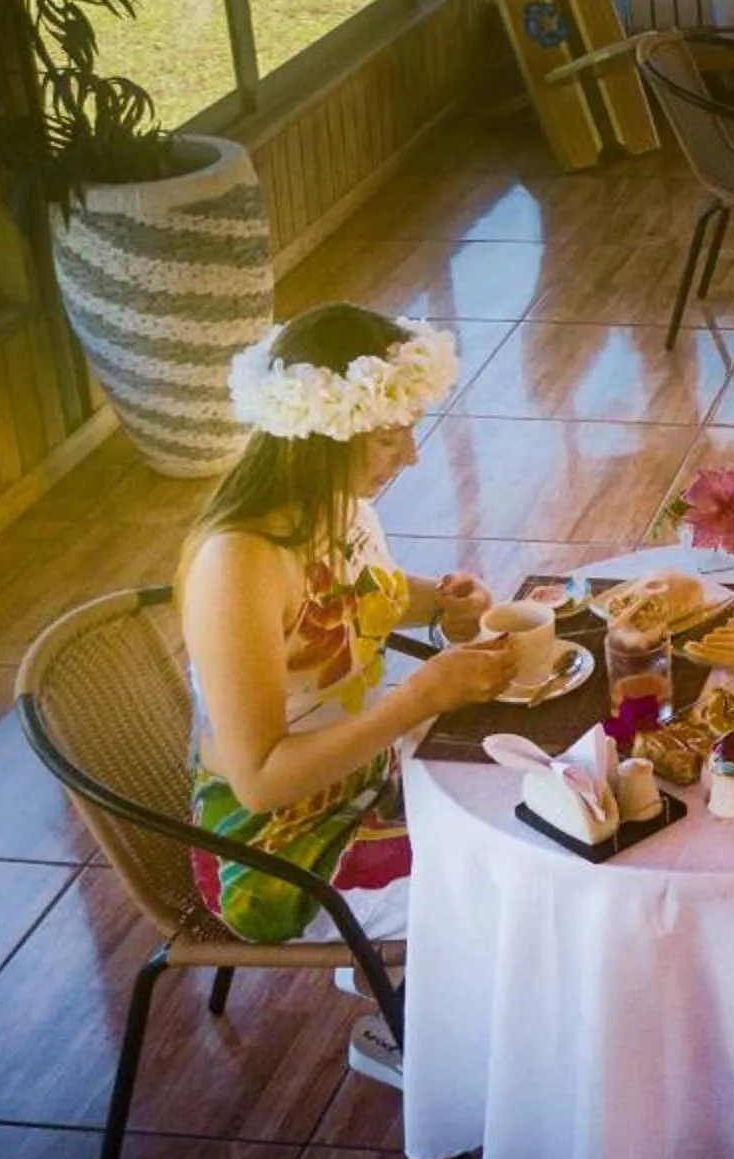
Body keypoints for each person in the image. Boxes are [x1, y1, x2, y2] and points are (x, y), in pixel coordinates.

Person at [179, 303, 515, 1087]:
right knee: (518, 873)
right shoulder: (239, 564)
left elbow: (357, 595)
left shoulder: (336, 505)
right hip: (279, 848)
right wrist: (420, 697)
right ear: (330, 427)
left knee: (549, 790)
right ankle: (410, 1028)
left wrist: (441, 603)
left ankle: (421, 980)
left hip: (368, 774)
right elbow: (261, 778)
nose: (414, 455)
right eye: (391, 435)